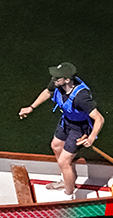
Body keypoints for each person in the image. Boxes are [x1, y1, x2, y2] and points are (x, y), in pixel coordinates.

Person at [19, 62, 105, 198]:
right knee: (55, 146)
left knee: (63, 162)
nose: (53, 79)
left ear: (67, 80)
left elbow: (99, 119)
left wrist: (91, 137)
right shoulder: (57, 82)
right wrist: (31, 107)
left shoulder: (81, 97)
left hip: (80, 128)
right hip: (66, 121)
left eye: (57, 78)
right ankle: (66, 179)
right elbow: (47, 92)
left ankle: (69, 195)